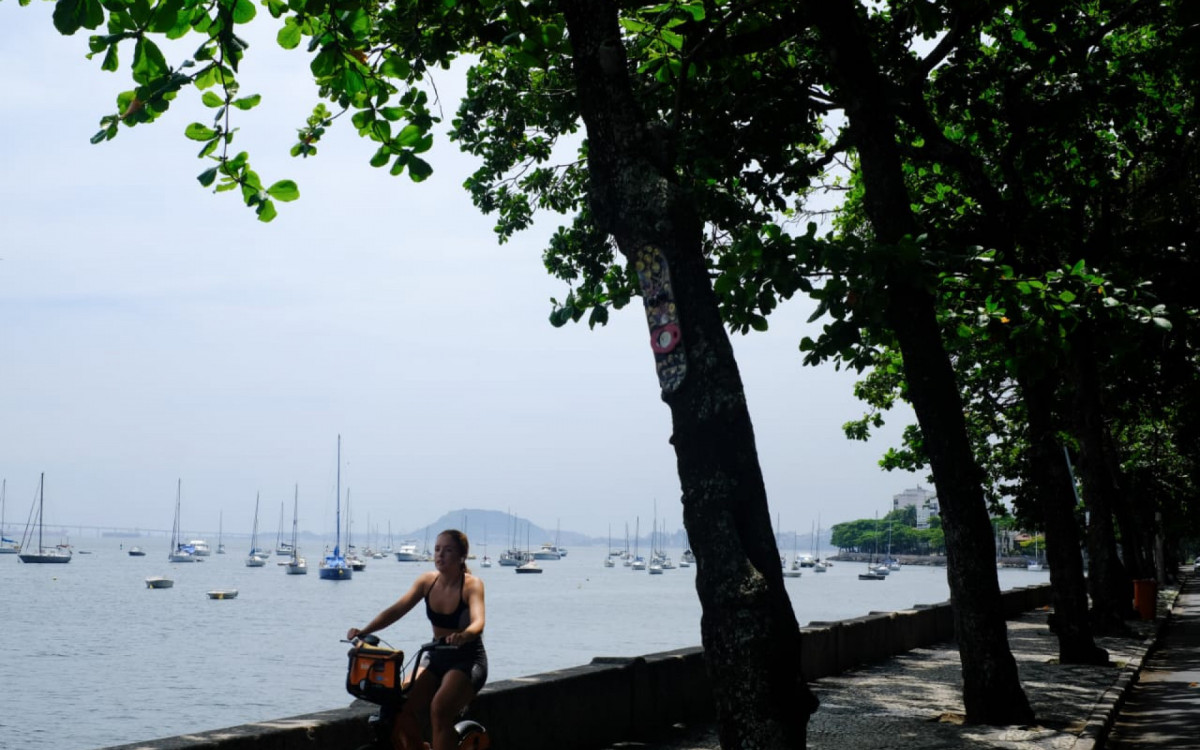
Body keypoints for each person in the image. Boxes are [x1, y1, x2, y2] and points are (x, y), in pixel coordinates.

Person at [347, 529, 487, 750]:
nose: (440, 555)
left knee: (439, 709)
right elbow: (396, 610)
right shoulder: (427, 582)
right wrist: (363, 631)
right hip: (435, 655)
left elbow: (478, 622)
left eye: (448, 550)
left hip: (467, 660)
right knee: (400, 706)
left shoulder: (471, 585)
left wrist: (464, 635)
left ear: (461, 557)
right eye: (437, 549)